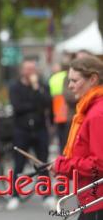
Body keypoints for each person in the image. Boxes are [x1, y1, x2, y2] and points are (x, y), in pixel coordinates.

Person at [51, 56, 103, 220]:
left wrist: (63, 165)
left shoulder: (97, 113)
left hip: (97, 200)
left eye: (75, 80)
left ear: (93, 79)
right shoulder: (91, 109)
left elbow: (99, 164)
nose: (70, 86)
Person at [7, 59, 53, 211]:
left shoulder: (42, 86)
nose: (30, 72)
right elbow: (17, 107)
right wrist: (35, 104)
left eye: (33, 69)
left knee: (43, 162)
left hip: (40, 129)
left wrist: (36, 88)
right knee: (18, 163)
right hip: (22, 130)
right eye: (27, 69)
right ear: (22, 71)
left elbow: (47, 103)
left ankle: (47, 195)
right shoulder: (15, 87)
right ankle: (15, 195)